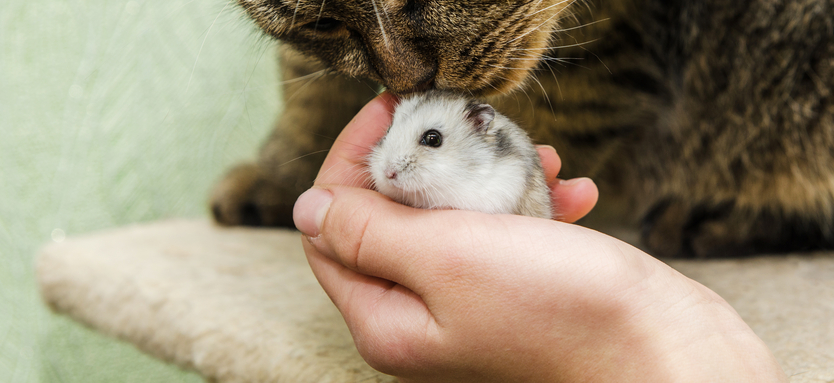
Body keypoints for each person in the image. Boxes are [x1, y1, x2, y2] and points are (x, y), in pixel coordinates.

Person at [294, 94, 788, 382]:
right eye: (389, 140)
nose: (391, 164)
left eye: (430, 141)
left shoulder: (499, 175)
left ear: (480, 128)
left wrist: (613, 330)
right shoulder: (393, 165)